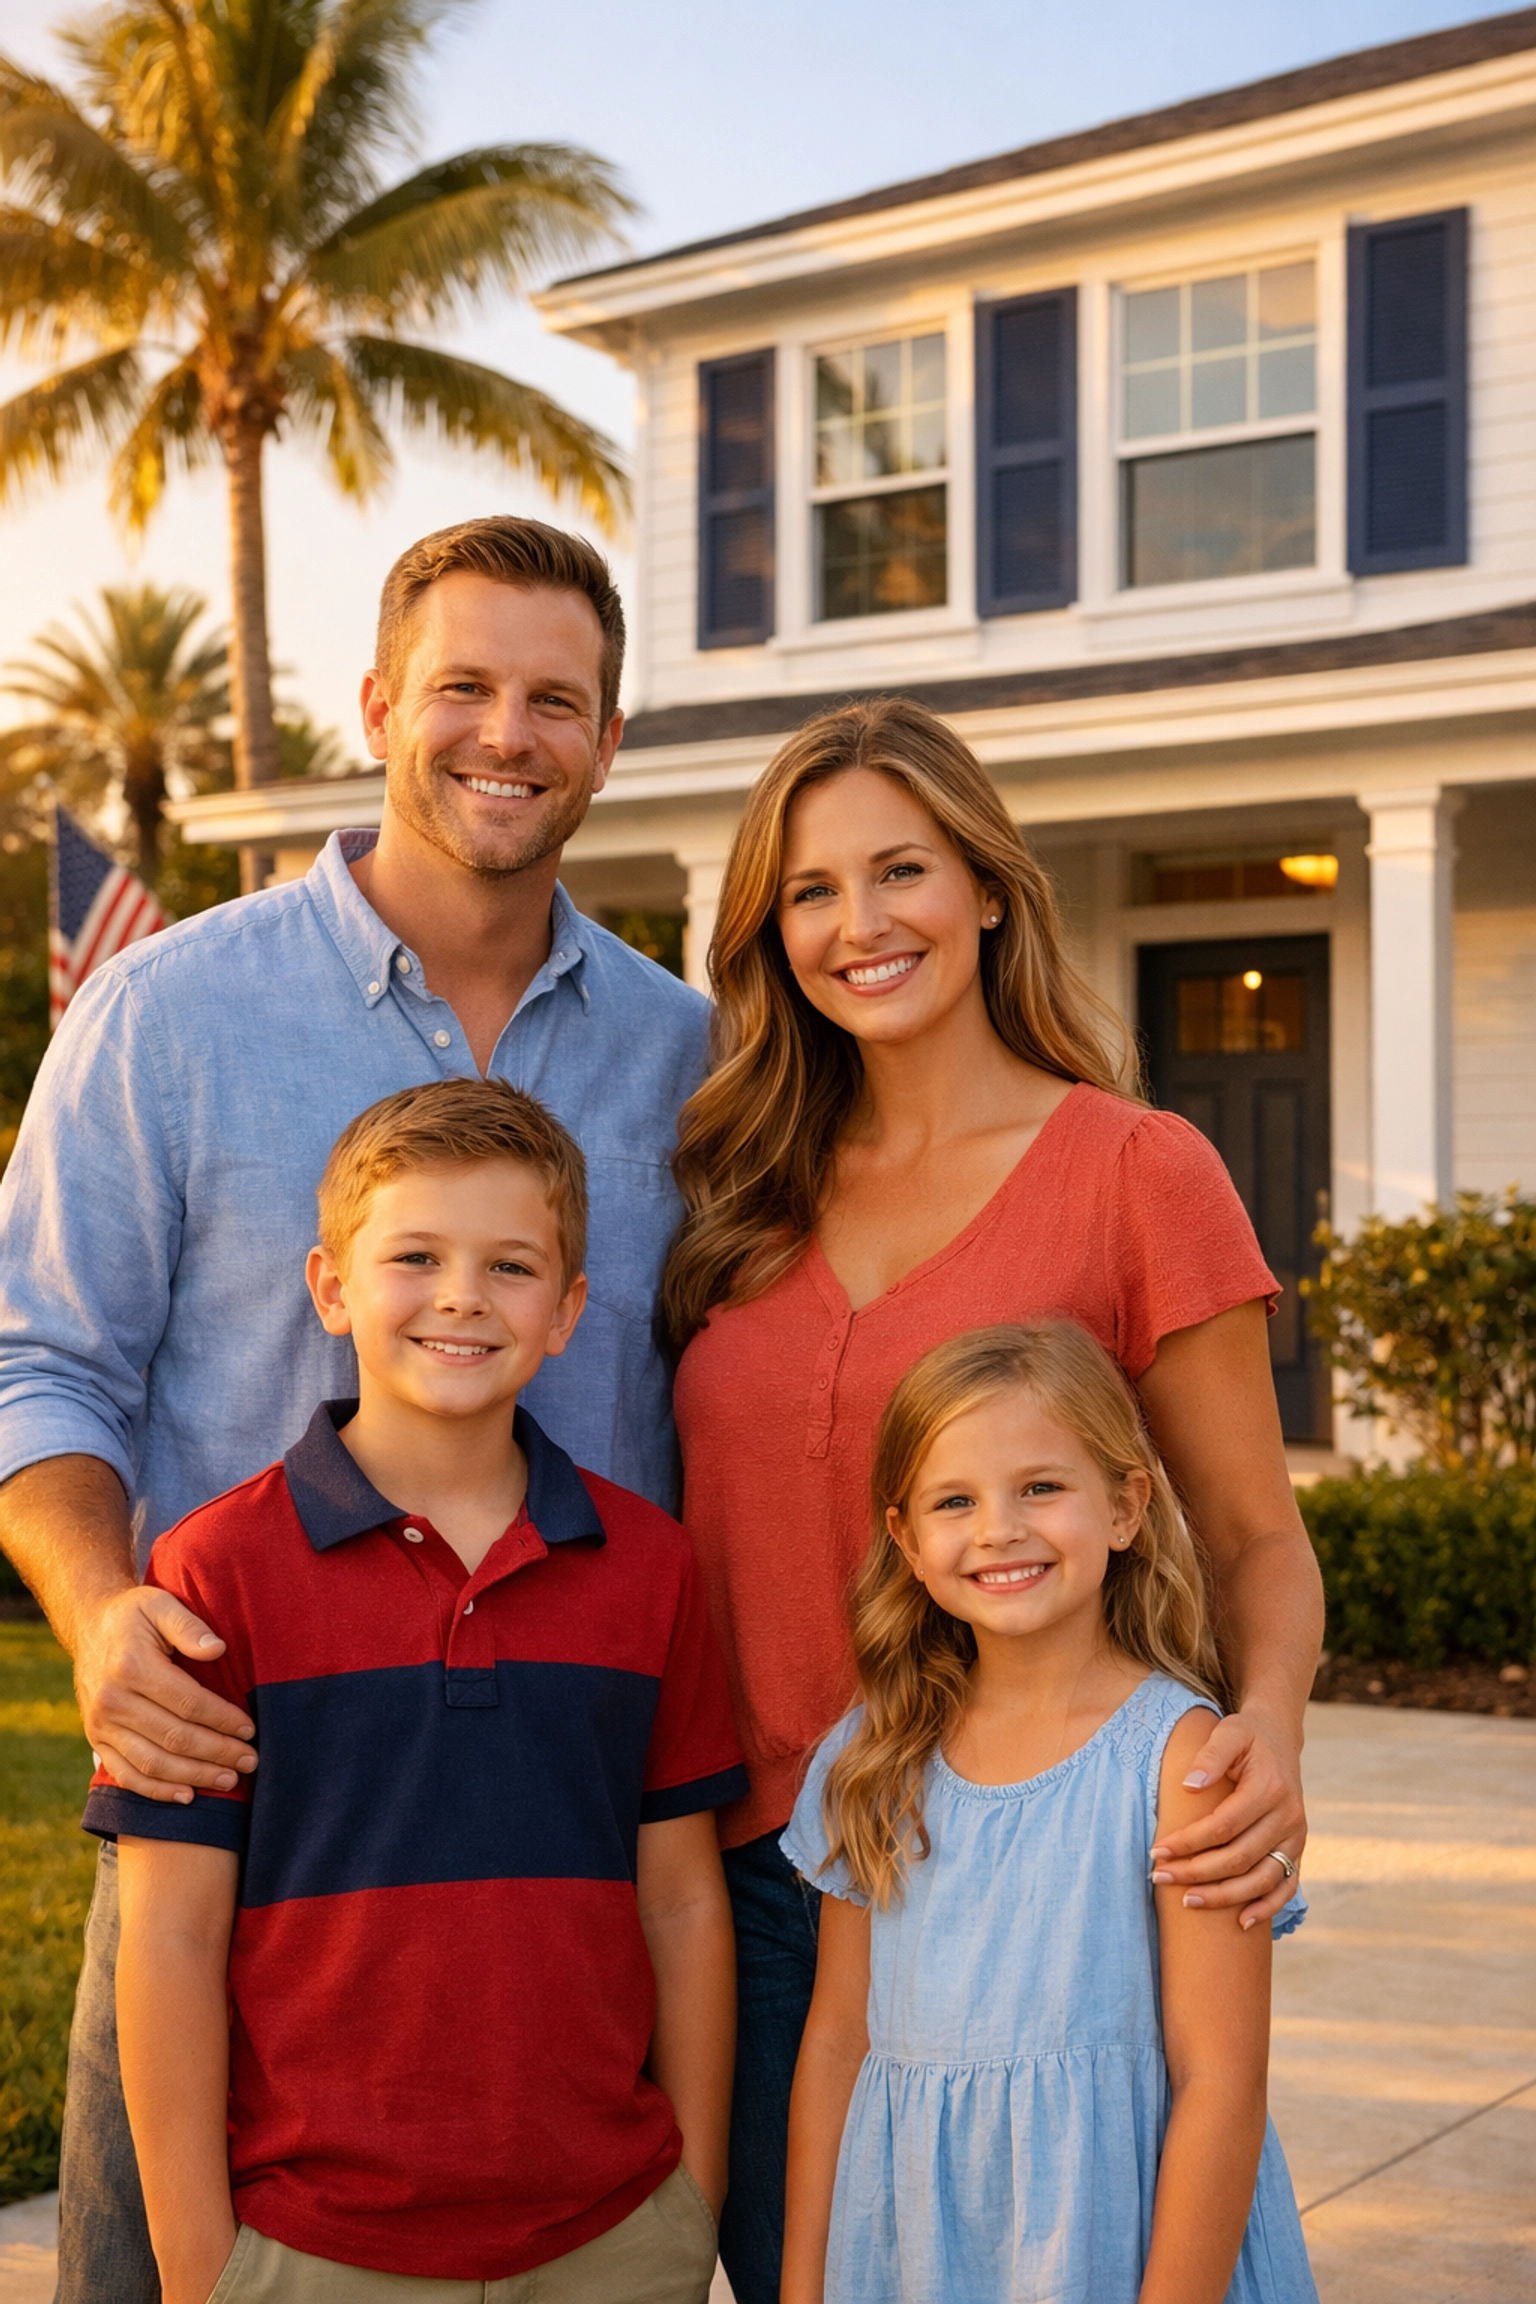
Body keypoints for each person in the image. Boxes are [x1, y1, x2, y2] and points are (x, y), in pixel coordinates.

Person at [0, 519, 708, 2304]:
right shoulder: (169, 1010)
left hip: (574, 1829)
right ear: (381, 702)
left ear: (608, 740)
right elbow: (36, 1352)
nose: (508, 731)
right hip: (235, 1812)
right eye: (464, 683)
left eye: (559, 697)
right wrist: (100, 1617)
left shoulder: (688, 1053)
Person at [661, 696, 1324, 2304]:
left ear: (987, 887)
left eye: (902, 871)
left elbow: (1252, 1533)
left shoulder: (1132, 1167)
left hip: (1025, 1874)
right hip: (740, 1873)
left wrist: (1271, 1739)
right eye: (810, 891)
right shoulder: (737, 1181)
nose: (860, 924)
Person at [89, 1078, 742, 2304]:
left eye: (510, 1266)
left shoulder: (651, 1568)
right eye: (416, 1257)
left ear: (568, 1311)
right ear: (331, 1286)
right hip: (311, 2246)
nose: (461, 1297)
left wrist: (688, 2201)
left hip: (610, 2237)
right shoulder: (215, 1573)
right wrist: (194, 2259)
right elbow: (171, 1934)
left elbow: (684, 1905)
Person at [781, 1321, 1317, 2304]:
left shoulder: (1182, 1765)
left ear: (1124, 1506)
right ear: (905, 1537)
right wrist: (804, 2288)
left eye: (1041, 1487)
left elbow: (1221, 2084)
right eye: (955, 1500)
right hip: (912, 2258)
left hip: (1126, 2257)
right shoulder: (870, 1761)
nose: (999, 1529)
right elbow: (836, 2045)